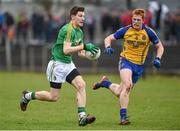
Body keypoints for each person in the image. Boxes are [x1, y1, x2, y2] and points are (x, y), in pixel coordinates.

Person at [20, 6, 99, 126]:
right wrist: (84, 46)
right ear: (73, 17)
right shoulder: (68, 29)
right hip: (57, 65)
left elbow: (80, 52)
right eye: (80, 16)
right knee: (53, 97)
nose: (83, 18)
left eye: (84, 16)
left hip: (68, 64)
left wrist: (90, 55)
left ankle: (82, 117)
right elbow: (66, 50)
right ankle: (28, 96)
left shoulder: (79, 31)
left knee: (81, 84)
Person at [93, 8, 164, 125]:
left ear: (143, 20)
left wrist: (158, 58)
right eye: (134, 19)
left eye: (138, 20)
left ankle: (105, 83)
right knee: (127, 85)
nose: (135, 22)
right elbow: (108, 38)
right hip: (126, 61)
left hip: (139, 66)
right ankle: (123, 118)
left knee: (119, 92)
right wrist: (108, 46)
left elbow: (160, 47)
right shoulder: (126, 30)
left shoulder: (149, 32)